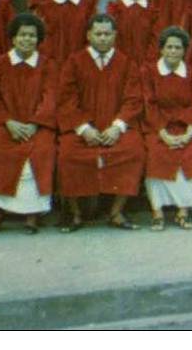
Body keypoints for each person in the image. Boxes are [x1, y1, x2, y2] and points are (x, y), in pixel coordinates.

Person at [56, 14, 145, 231]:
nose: (103, 38)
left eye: (107, 34)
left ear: (115, 35)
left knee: (134, 151)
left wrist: (117, 126)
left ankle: (116, 212)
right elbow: (66, 99)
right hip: (84, 128)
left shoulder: (126, 63)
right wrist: (84, 128)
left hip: (115, 127)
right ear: (89, 35)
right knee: (68, 154)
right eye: (98, 33)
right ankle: (75, 214)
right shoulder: (75, 61)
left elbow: (133, 99)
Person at [0, 13, 58, 234]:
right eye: (22, 35)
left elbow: (50, 96)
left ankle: (32, 214)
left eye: (32, 36)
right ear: (13, 38)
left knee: (42, 151)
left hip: (38, 125)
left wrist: (35, 123)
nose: (27, 39)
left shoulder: (47, 65)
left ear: (39, 39)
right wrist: (8, 122)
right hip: (4, 123)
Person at [141, 27, 192, 231]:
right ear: (161, 49)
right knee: (157, 153)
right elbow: (149, 104)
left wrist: (189, 133)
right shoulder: (149, 71)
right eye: (169, 47)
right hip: (157, 126)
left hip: (186, 126)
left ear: (184, 50)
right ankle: (157, 211)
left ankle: (183, 210)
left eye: (177, 47)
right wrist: (163, 134)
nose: (173, 51)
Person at [33, 0, 93, 64]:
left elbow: (91, 35)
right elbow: (38, 36)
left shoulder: (87, 7)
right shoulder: (44, 7)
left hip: (78, 61)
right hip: (50, 62)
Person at [105, 0, 160, 65]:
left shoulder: (153, 12)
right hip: (118, 66)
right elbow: (110, 40)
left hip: (144, 68)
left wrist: (146, 66)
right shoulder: (114, 9)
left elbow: (155, 43)